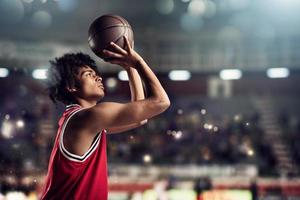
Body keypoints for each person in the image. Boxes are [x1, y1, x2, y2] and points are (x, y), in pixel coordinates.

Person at [40, 36, 170, 199]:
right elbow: (161, 102)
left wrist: (130, 68)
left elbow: (139, 119)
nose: (99, 77)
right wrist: (137, 62)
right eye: (89, 74)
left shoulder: (84, 120)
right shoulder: (87, 117)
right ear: (71, 87)